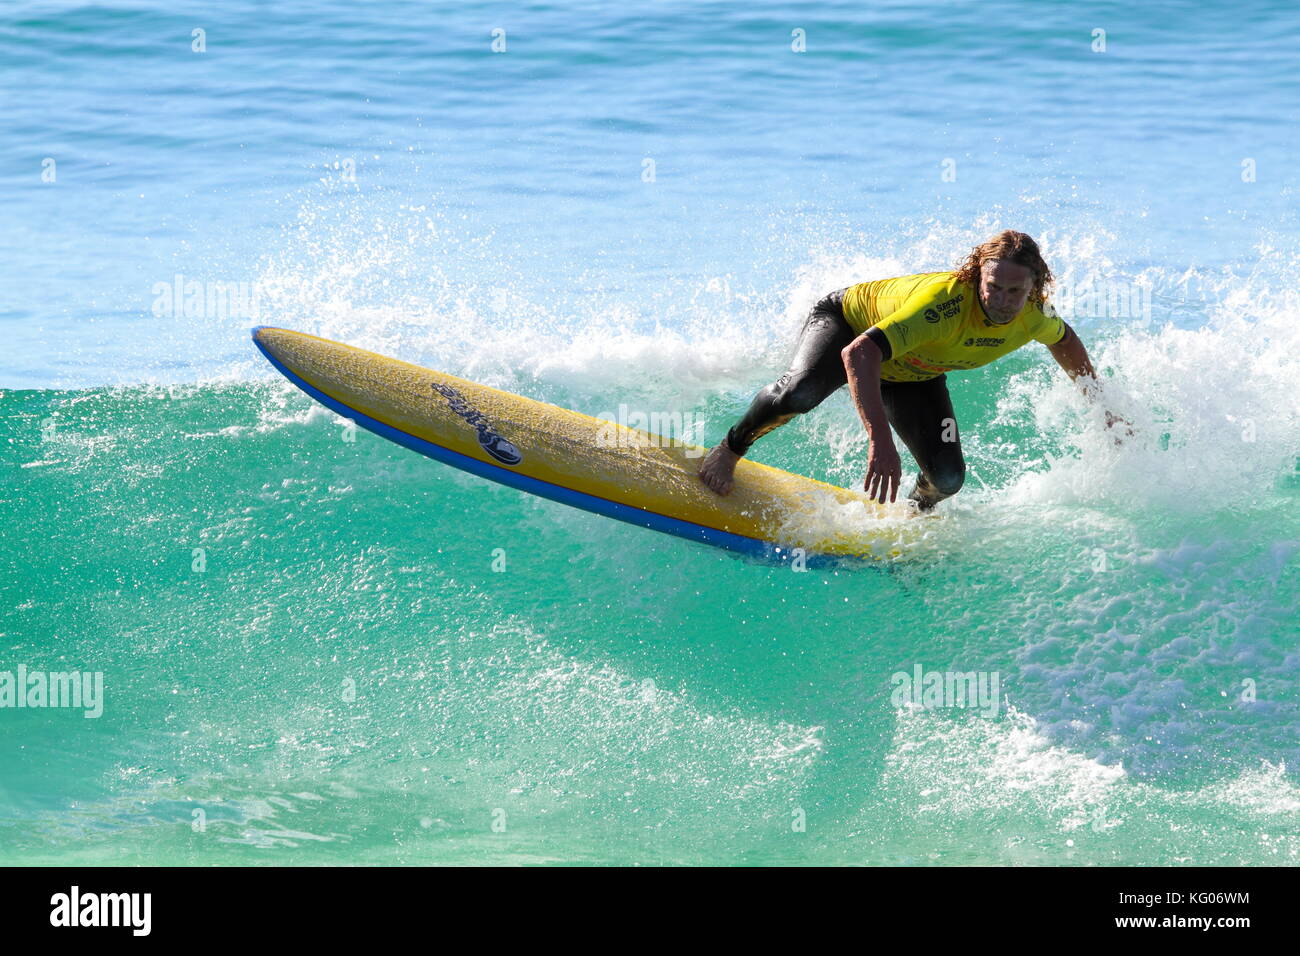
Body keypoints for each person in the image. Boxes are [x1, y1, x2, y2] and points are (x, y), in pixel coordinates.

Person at [697, 230, 1130, 510]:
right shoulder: (941, 305)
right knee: (800, 394)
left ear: (1035, 287)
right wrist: (881, 442)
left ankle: (916, 513)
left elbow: (1065, 341)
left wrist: (1102, 406)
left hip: (912, 371)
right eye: (992, 287)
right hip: (849, 325)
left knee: (947, 479)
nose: (1001, 301)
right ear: (978, 277)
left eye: (1014, 292)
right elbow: (859, 353)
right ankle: (729, 449)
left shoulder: (1034, 315)